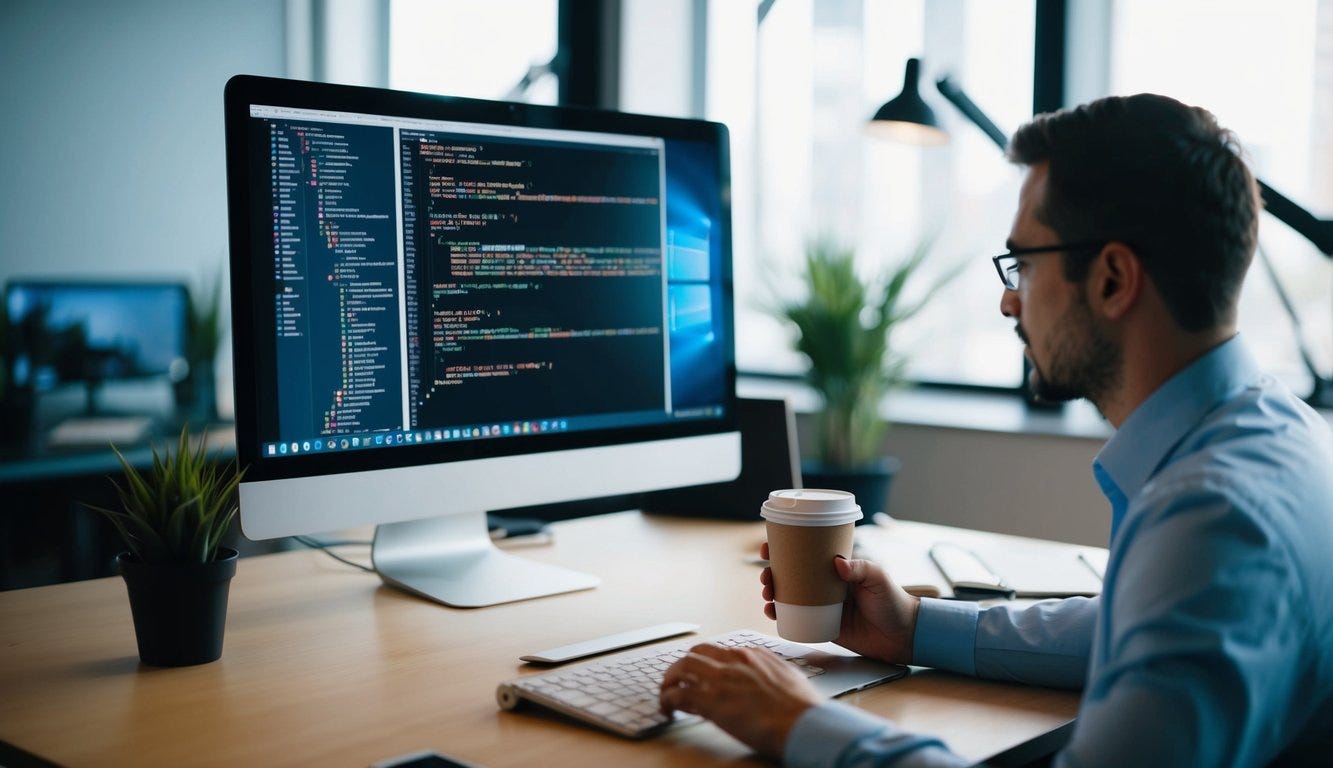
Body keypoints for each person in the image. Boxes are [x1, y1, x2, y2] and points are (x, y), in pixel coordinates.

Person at [658, 93, 1333, 766]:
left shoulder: (1213, 516)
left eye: (1025, 264)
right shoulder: (1273, 434)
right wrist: (915, 628)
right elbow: (1133, 626)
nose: (1009, 298)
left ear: (1111, 279)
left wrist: (795, 722)